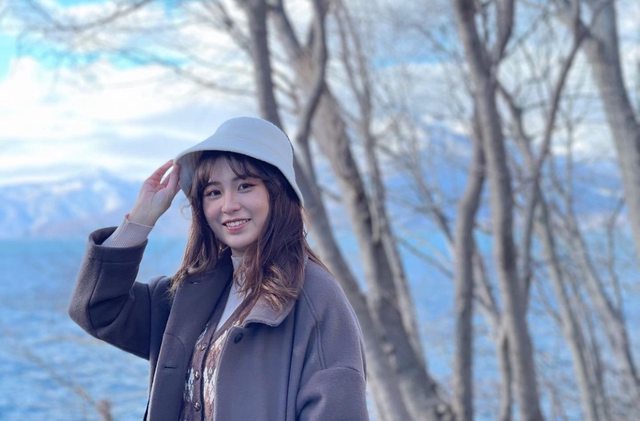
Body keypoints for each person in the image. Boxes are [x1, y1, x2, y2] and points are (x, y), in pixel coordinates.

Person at [68, 116, 369, 420]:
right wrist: (140, 220)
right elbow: (98, 309)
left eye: (245, 186)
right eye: (214, 192)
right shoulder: (187, 295)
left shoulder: (316, 297)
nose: (228, 205)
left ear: (277, 193)